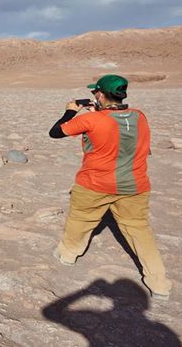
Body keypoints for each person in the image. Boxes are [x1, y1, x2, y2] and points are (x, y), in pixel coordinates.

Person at [48, 74, 172, 300]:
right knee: (139, 231)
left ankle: (68, 254)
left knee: (80, 219)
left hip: (95, 184)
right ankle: (159, 283)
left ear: (100, 94)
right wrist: (100, 113)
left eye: (95, 92)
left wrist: (70, 111)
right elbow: (116, 127)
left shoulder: (91, 120)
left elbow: (56, 132)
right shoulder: (139, 116)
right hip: (135, 185)